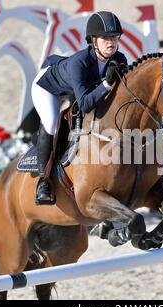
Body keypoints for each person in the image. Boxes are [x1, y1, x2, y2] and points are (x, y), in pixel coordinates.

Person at [31, 11, 128, 205]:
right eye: (106, 37)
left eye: (115, 37)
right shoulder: (80, 62)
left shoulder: (120, 58)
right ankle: (44, 180)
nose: (112, 42)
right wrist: (106, 85)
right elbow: (84, 103)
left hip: (76, 89)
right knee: (51, 123)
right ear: (93, 40)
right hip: (47, 87)